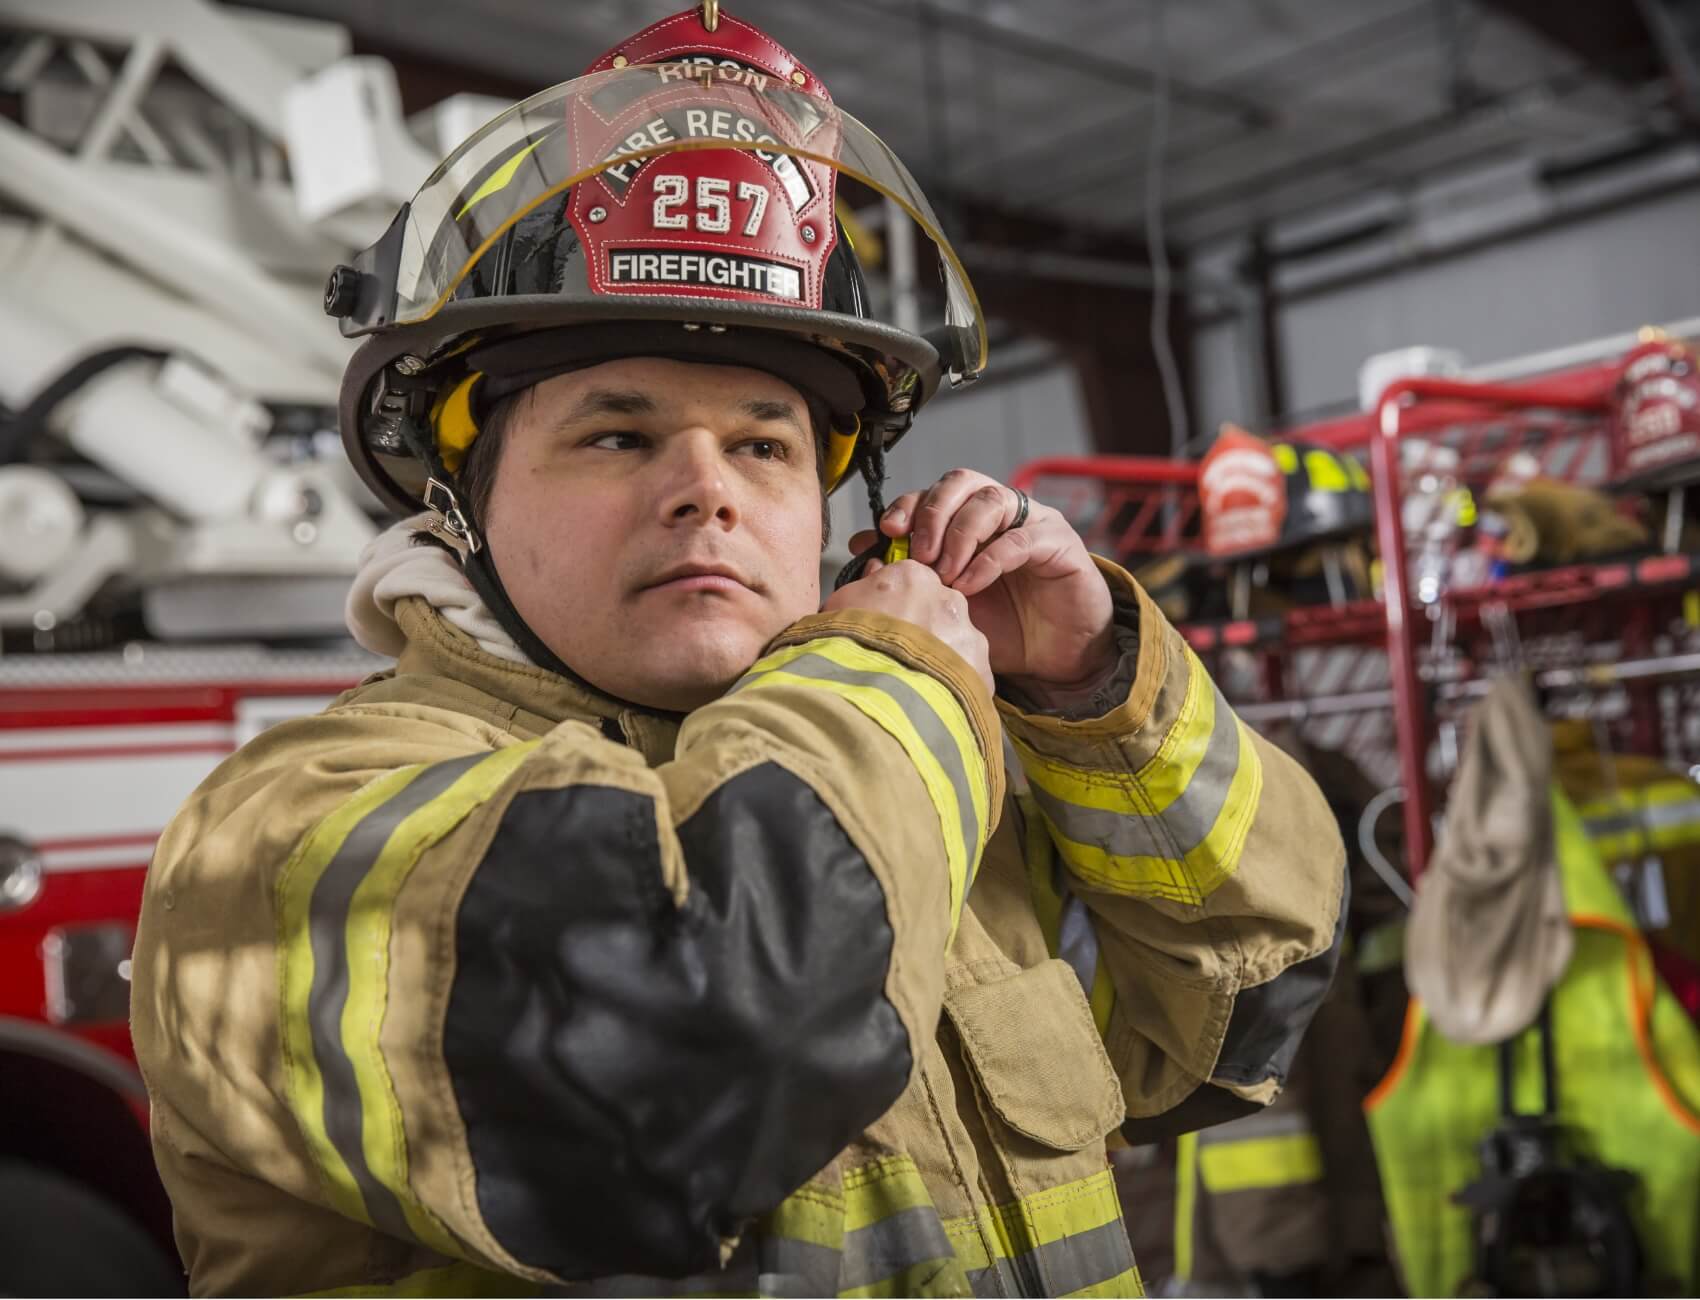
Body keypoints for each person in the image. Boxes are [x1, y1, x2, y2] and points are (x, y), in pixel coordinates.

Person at [129, 6, 1347, 1295]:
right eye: (618, 434)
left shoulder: (918, 804)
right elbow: (696, 1060)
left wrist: (1094, 692)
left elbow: (1245, 1010)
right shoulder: (285, 827)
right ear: (462, 497)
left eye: (766, 444)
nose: (708, 492)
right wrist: (888, 682)